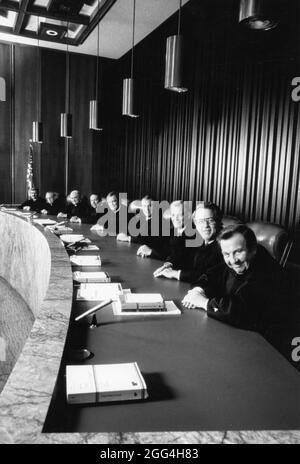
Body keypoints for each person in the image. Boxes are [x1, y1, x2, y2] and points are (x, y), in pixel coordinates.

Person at [182, 224, 286, 334]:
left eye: (238, 252)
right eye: (226, 254)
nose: (233, 261)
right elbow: (211, 275)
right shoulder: (237, 262)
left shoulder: (267, 270)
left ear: (253, 249)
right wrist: (197, 291)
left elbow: (242, 310)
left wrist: (204, 302)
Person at [154, 201, 224, 281]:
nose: (205, 225)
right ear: (196, 224)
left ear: (219, 221)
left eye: (210, 220)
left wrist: (176, 274)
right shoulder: (200, 241)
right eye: (201, 221)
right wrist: (169, 265)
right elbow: (183, 257)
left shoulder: (224, 246)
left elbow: (210, 276)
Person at [117, 195, 169, 259]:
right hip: (137, 252)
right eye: (144, 206)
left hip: (153, 258)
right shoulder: (140, 218)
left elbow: (147, 240)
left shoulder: (161, 222)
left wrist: (128, 238)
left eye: (150, 206)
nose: (147, 209)